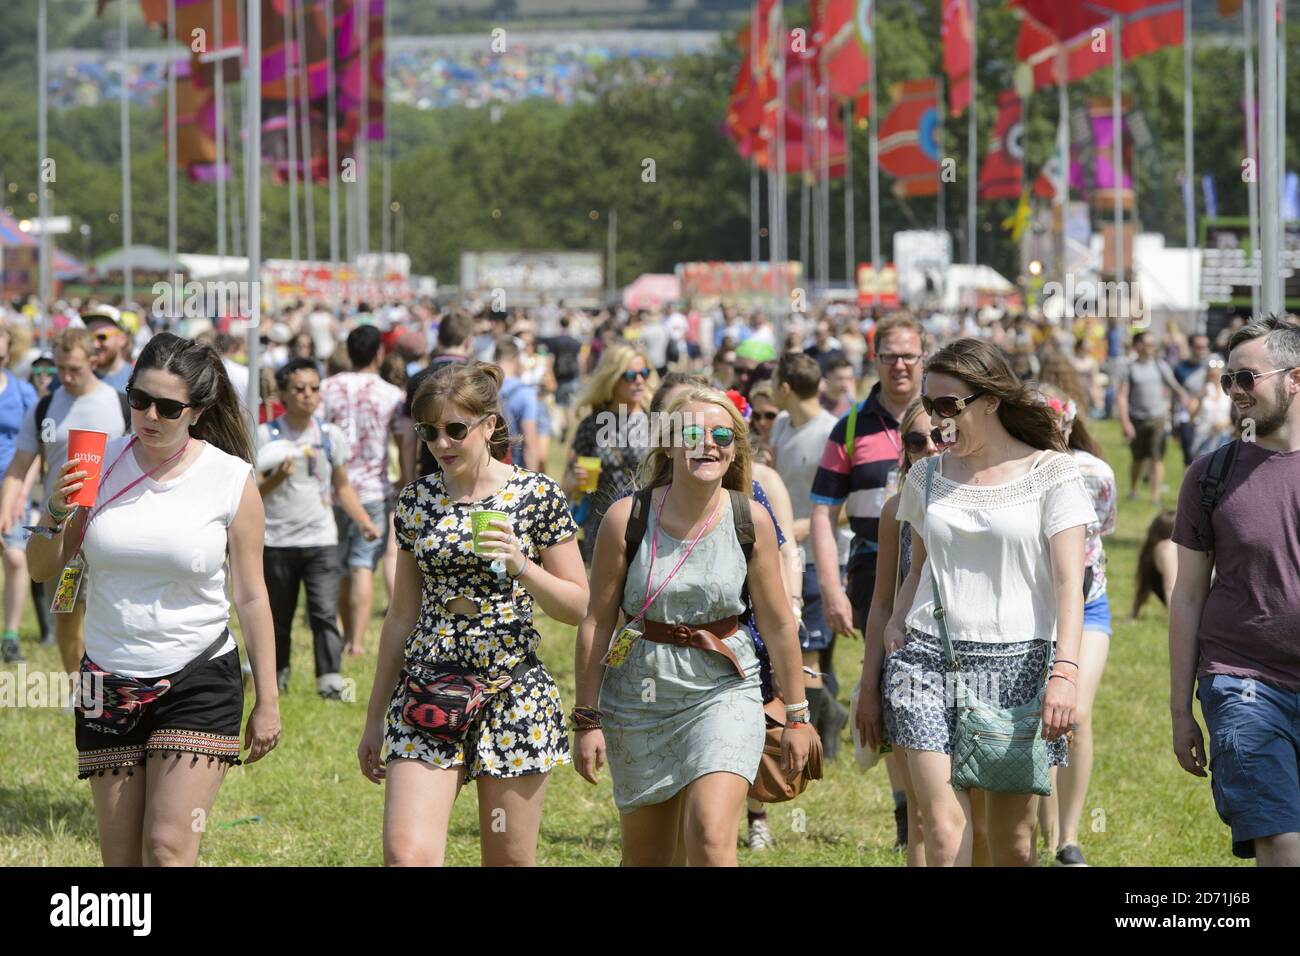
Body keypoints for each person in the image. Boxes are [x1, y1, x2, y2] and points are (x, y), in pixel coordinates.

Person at [26, 332, 280, 866]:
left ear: (198, 410)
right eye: (138, 399)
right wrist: (54, 509)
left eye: (168, 406)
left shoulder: (230, 479)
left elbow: (253, 596)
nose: (149, 416)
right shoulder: (98, 463)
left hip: (198, 675)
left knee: (166, 847)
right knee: (120, 860)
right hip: (106, 678)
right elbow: (44, 567)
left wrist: (269, 700)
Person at [357, 361, 588, 866]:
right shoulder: (416, 502)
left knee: (507, 860)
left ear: (488, 424)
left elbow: (576, 604)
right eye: (429, 432)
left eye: (455, 429)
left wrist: (521, 565)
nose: (442, 443)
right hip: (428, 690)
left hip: (512, 692)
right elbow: (400, 615)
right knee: (406, 855)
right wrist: (374, 717)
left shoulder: (536, 495)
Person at [572, 383, 811, 866]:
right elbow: (597, 620)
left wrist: (800, 716)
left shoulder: (752, 520)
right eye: (692, 432)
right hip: (640, 693)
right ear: (668, 442)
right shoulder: (627, 517)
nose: (708, 443)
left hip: (723, 690)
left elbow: (780, 624)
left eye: (722, 433)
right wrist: (585, 718)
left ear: (736, 446)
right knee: (648, 857)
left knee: (708, 833)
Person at [882, 338, 1093, 866]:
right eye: (930, 407)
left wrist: (1065, 672)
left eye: (949, 406)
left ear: (992, 400)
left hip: (1019, 666)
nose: (937, 421)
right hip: (926, 660)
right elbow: (917, 568)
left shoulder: (1053, 473)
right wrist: (894, 622)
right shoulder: (926, 475)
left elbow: (1071, 585)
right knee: (939, 825)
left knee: (1012, 843)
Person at [1170, 314, 1300, 866]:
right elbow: (1188, 596)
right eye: (1228, 379)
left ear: (1295, 378)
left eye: (1248, 378)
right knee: (1280, 838)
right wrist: (1181, 710)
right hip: (1243, 682)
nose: (1234, 391)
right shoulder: (1210, 474)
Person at [810, 315, 924, 734]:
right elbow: (823, 511)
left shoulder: (944, 422)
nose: (900, 365)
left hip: (938, 567)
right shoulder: (850, 427)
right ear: (874, 361)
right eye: (890, 356)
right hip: (873, 569)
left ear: (923, 358)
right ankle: (904, 797)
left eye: (909, 356)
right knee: (889, 673)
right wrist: (831, 588)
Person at [1, 327, 130, 676]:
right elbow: (20, 464)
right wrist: (7, 507)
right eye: (60, 368)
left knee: (109, 613)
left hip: (111, 525)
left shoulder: (119, 404)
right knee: (65, 612)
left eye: (74, 368)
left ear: (93, 360)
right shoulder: (45, 406)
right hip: (61, 530)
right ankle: (79, 688)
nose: (66, 377)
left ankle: (111, 683)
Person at [258, 357, 380, 698]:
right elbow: (252, 491)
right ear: (282, 393)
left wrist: (364, 521)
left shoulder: (330, 436)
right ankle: (278, 677)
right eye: (298, 389)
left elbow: (342, 486)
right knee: (278, 617)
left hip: (321, 538)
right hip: (276, 540)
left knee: (324, 612)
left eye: (314, 388)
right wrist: (277, 479)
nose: (308, 396)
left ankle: (329, 682)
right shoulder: (266, 435)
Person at [1037, 385, 1118, 868]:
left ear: (1070, 427)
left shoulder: (1096, 474)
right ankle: (1043, 834)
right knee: (1041, 721)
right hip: (1034, 612)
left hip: (1088, 606)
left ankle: (1068, 839)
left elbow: (1101, 532)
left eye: (1058, 427)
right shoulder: (1016, 474)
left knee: (1076, 714)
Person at [856, 398, 938, 866]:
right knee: (924, 817)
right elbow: (882, 602)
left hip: (978, 664)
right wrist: (870, 684)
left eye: (936, 437)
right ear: (903, 449)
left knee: (977, 814)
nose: (927, 447)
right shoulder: (895, 512)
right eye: (915, 440)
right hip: (911, 668)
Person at [320, 325, 404, 657]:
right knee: (363, 564)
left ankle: (341, 634)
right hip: (373, 488)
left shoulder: (326, 388)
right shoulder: (391, 394)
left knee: (340, 564)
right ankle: (357, 642)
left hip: (334, 488)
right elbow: (402, 439)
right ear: (379, 354)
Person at [563, 345, 656, 566]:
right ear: (612, 378)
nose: (639, 381)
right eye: (631, 375)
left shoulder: (655, 422)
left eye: (644, 374)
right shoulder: (591, 425)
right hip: (603, 523)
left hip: (650, 521)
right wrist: (577, 479)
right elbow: (569, 482)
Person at [1116, 330, 1190, 505]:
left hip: (1157, 417)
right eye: (1148, 344)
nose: (1152, 347)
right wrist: (1125, 422)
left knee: (1157, 457)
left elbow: (1173, 384)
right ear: (1138, 346)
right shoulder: (1129, 368)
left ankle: (1155, 496)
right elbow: (1122, 396)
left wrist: (1184, 396)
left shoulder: (1159, 365)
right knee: (1138, 458)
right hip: (1137, 418)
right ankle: (1133, 491)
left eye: (1153, 344)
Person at [0, 323, 38, 662]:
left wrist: (24, 490)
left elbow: (36, 447)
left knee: (14, 557)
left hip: (10, 485)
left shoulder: (23, 391)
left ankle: (10, 636)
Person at [403, 311, 474, 482]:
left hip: (431, 476)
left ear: (440, 340)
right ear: (468, 341)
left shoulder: (418, 378)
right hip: (473, 477)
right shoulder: (478, 379)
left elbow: (408, 438)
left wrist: (410, 481)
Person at [494, 336, 545, 473]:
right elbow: (529, 443)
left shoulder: (484, 388)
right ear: (516, 359)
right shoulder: (525, 393)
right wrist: (533, 482)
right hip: (514, 470)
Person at [1173, 334, 1214, 466]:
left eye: (1205, 346)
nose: (1202, 350)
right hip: (1187, 417)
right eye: (1199, 347)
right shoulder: (1180, 368)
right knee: (1190, 457)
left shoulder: (1213, 366)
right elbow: (1175, 396)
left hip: (1209, 416)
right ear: (1191, 347)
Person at [1133, 511, 1177, 618]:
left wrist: (1133, 614)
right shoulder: (1168, 548)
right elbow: (1170, 588)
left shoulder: (1149, 552)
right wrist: (1176, 620)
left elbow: (1142, 588)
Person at [82, 307, 135, 393]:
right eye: (89, 337)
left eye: (102, 337)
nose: (95, 344)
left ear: (122, 339)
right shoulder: (74, 377)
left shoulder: (136, 382)